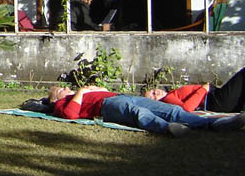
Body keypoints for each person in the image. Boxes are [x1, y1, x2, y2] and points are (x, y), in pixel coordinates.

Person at [47, 85, 245, 137]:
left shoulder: (77, 94)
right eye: (61, 89)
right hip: (107, 107)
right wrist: (81, 91)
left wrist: (100, 90)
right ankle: (168, 128)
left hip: (120, 96)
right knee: (137, 113)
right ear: (57, 96)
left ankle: (214, 124)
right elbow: (71, 115)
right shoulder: (62, 103)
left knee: (170, 109)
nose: (66, 88)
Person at [143, 66, 245, 113]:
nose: (156, 92)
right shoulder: (168, 98)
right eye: (153, 96)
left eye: (153, 91)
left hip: (221, 101)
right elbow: (187, 108)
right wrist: (203, 90)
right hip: (217, 101)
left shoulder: (171, 94)